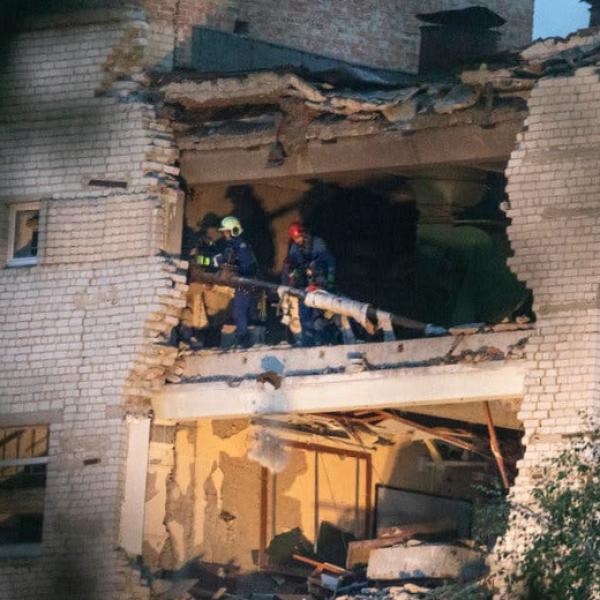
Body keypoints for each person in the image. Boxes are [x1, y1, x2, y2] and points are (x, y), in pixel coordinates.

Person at [282, 222, 336, 346]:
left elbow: (329, 262)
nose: (297, 241)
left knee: (319, 316)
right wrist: (291, 275)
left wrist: (330, 281)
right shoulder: (295, 247)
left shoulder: (317, 243)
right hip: (305, 285)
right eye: (295, 239)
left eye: (298, 238)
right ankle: (307, 341)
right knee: (304, 315)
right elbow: (291, 261)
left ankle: (324, 340)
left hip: (320, 283)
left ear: (304, 234)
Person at [216, 216, 259, 348]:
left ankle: (243, 340)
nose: (224, 234)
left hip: (244, 283)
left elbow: (245, 265)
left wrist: (232, 269)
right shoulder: (232, 246)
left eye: (226, 231)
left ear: (234, 230)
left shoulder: (241, 246)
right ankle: (247, 338)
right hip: (239, 283)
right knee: (243, 312)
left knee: (239, 311)